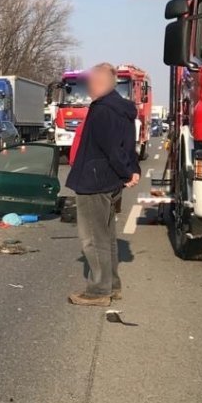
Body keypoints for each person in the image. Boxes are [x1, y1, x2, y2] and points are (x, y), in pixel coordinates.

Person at [65, 62, 140, 306]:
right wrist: (132, 170)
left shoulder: (101, 110)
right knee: (106, 237)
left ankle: (98, 291)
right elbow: (128, 145)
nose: (88, 88)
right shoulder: (123, 109)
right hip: (108, 182)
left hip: (94, 181)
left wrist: (127, 173)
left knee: (93, 239)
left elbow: (110, 149)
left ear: (99, 83)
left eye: (90, 83)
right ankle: (112, 285)